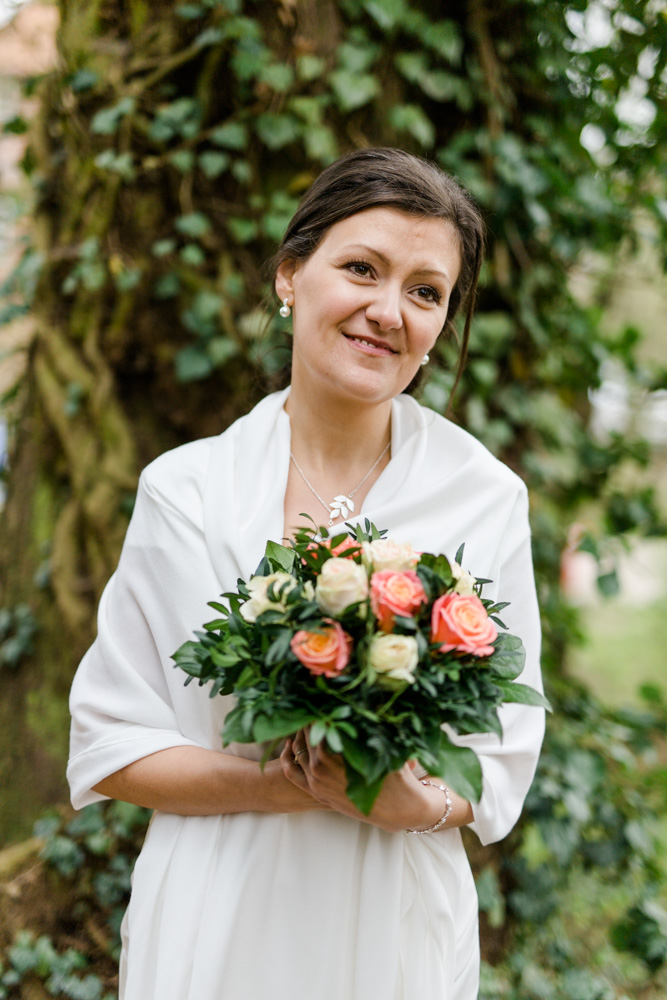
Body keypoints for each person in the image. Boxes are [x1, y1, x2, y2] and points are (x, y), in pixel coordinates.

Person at [67, 147, 545, 1000]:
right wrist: (287, 786)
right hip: (216, 913)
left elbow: (503, 751)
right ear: (291, 274)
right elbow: (112, 744)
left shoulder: (484, 498)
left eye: (425, 291)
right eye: (360, 268)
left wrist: (415, 805)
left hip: (394, 919)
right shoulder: (184, 491)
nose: (387, 311)